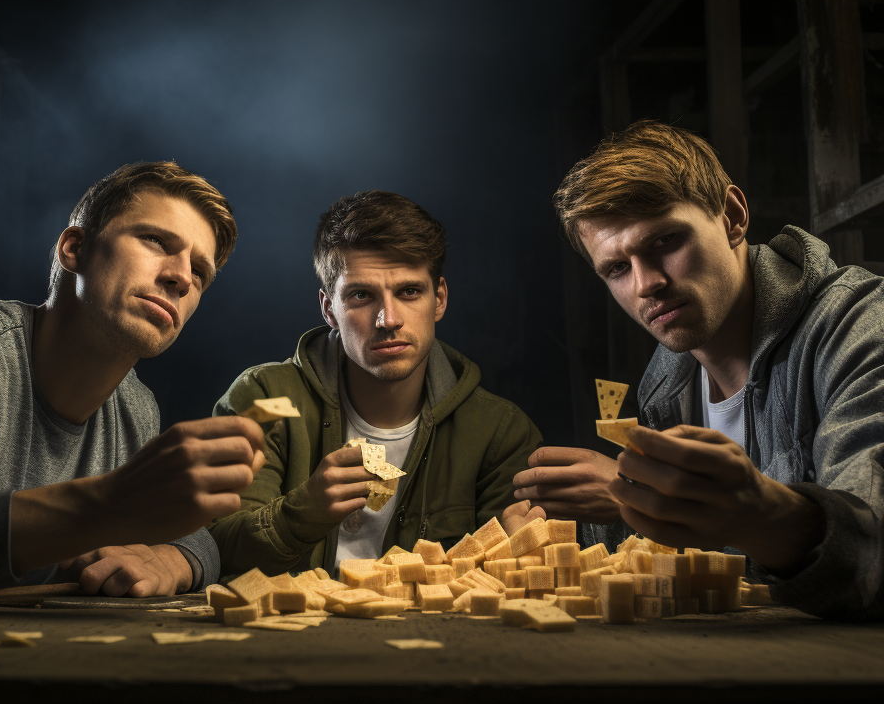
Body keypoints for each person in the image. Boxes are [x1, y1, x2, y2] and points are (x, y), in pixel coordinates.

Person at [514, 120, 884, 620]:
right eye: (617, 269)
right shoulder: (665, 383)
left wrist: (763, 515)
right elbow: (694, 562)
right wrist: (583, 523)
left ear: (732, 216)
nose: (647, 284)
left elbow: (873, 554)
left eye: (666, 242)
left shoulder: (861, 329)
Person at [0, 161, 266, 609]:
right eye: (155, 240)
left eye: (200, 272)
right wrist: (104, 507)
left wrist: (172, 560)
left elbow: (192, 534)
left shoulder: (135, 406)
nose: (182, 277)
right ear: (74, 248)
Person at [208, 190, 543, 578]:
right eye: (362, 295)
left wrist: (515, 552)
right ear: (328, 308)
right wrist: (302, 514)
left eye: (409, 291)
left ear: (439, 299)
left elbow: (502, 581)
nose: (388, 319)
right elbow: (214, 546)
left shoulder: (499, 433)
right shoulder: (265, 400)